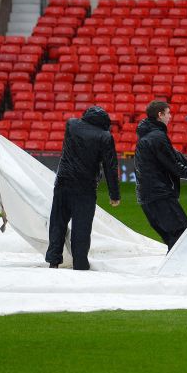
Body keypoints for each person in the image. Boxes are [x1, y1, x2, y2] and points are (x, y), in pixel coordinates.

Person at [46, 106, 121, 270]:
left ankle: (53, 260)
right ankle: (79, 263)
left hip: (62, 182)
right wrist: (114, 194)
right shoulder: (105, 136)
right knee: (81, 227)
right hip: (85, 187)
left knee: (57, 222)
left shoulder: (71, 125)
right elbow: (110, 167)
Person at [137, 101, 187, 251]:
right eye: (168, 113)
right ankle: (180, 273)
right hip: (159, 195)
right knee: (183, 237)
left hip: (148, 196)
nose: (170, 116)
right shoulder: (157, 137)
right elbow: (174, 165)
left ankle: (173, 271)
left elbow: (177, 156)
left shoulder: (151, 135)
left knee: (174, 240)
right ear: (160, 115)